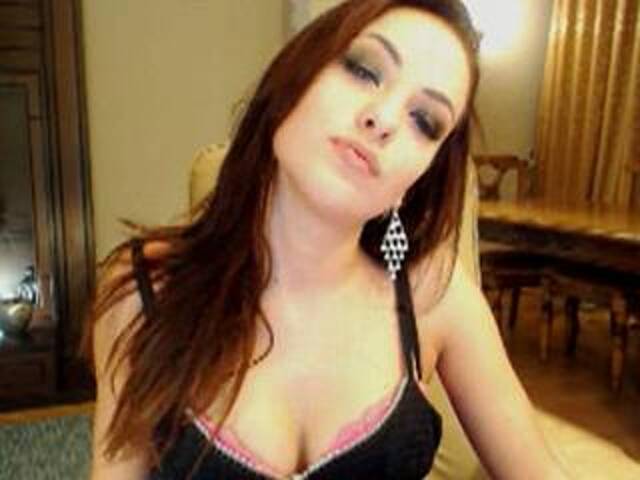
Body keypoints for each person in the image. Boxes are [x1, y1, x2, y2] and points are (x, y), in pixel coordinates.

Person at [82, 1, 571, 478]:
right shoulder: (143, 290)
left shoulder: (433, 294)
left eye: (424, 121)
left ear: (420, 176)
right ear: (295, 78)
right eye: (363, 70)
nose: (383, 119)